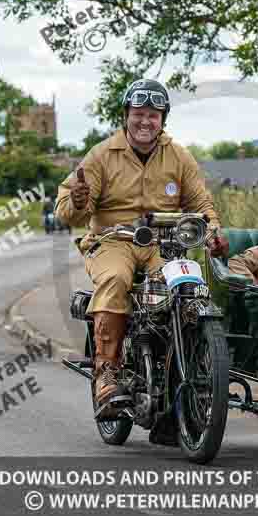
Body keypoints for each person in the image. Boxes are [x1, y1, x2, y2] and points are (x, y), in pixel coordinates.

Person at [54, 78, 228, 431]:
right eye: (139, 114)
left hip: (163, 242)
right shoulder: (102, 155)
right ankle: (107, 373)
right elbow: (67, 213)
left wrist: (212, 230)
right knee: (116, 279)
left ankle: (182, 375)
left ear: (163, 119)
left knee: (187, 287)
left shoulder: (178, 155)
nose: (145, 121)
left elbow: (200, 203)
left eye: (153, 114)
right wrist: (77, 200)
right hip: (113, 240)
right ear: (126, 116)